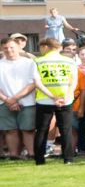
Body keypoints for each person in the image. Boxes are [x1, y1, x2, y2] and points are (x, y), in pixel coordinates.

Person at [31, 36, 80, 165]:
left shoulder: (38, 61)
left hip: (45, 100)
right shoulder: (69, 61)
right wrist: (66, 96)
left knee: (42, 129)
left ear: (45, 47)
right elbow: (73, 81)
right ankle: (68, 158)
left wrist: (52, 97)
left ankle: (39, 160)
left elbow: (37, 82)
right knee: (66, 129)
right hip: (66, 99)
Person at [0, 34, 38, 161]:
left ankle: (32, 154)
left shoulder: (29, 62)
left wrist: (15, 98)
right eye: (5, 48)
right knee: (10, 130)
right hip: (4, 102)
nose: (9, 50)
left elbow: (33, 83)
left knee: (28, 129)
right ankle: (14, 155)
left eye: (11, 47)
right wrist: (7, 100)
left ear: (18, 47)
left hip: (27, 101)